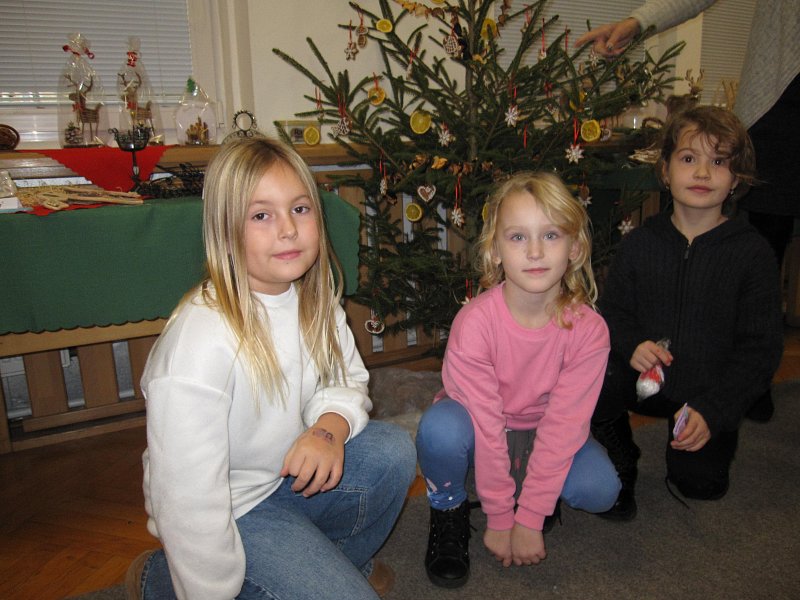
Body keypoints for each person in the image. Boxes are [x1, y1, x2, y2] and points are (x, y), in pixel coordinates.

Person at [125, 137, 417, 599]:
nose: (288, 229)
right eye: (261, 215)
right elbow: (187, 500)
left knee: (392, 451)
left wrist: (327, 429)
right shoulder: (199, 342)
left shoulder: (314, 299)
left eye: (300, 209)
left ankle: (329, 565)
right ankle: (157, 581)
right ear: (225, 231)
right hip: (231, 512)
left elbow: (347, 381)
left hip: (282, 482)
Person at [415, 172, 621, 589]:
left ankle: (532, 487)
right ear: (495, 250)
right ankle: (449, 508)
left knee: (601, 490)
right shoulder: (475, 322)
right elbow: (486, 424)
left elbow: (564, 426)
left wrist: (529, 517)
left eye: (551, 235)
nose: (535, 251)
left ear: (575, 248)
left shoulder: (589, 330)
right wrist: (500, 517)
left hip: (543, 430)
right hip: (481, 429)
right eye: (517, 237)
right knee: (440, 430)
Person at [586, 105, 784, 522]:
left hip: (708, 393)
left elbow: (760, 350)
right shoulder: (640, 244)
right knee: (592, 375)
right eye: (689, 158)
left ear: (737, 179)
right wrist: (632, 344)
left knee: (699, 484)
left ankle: (708, 432)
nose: (703, 173)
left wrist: (715, 410)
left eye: (719, 162)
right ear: (665, 170)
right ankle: (620, 455)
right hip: (644, 381)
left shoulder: (752, 253)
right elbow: (611, 312)